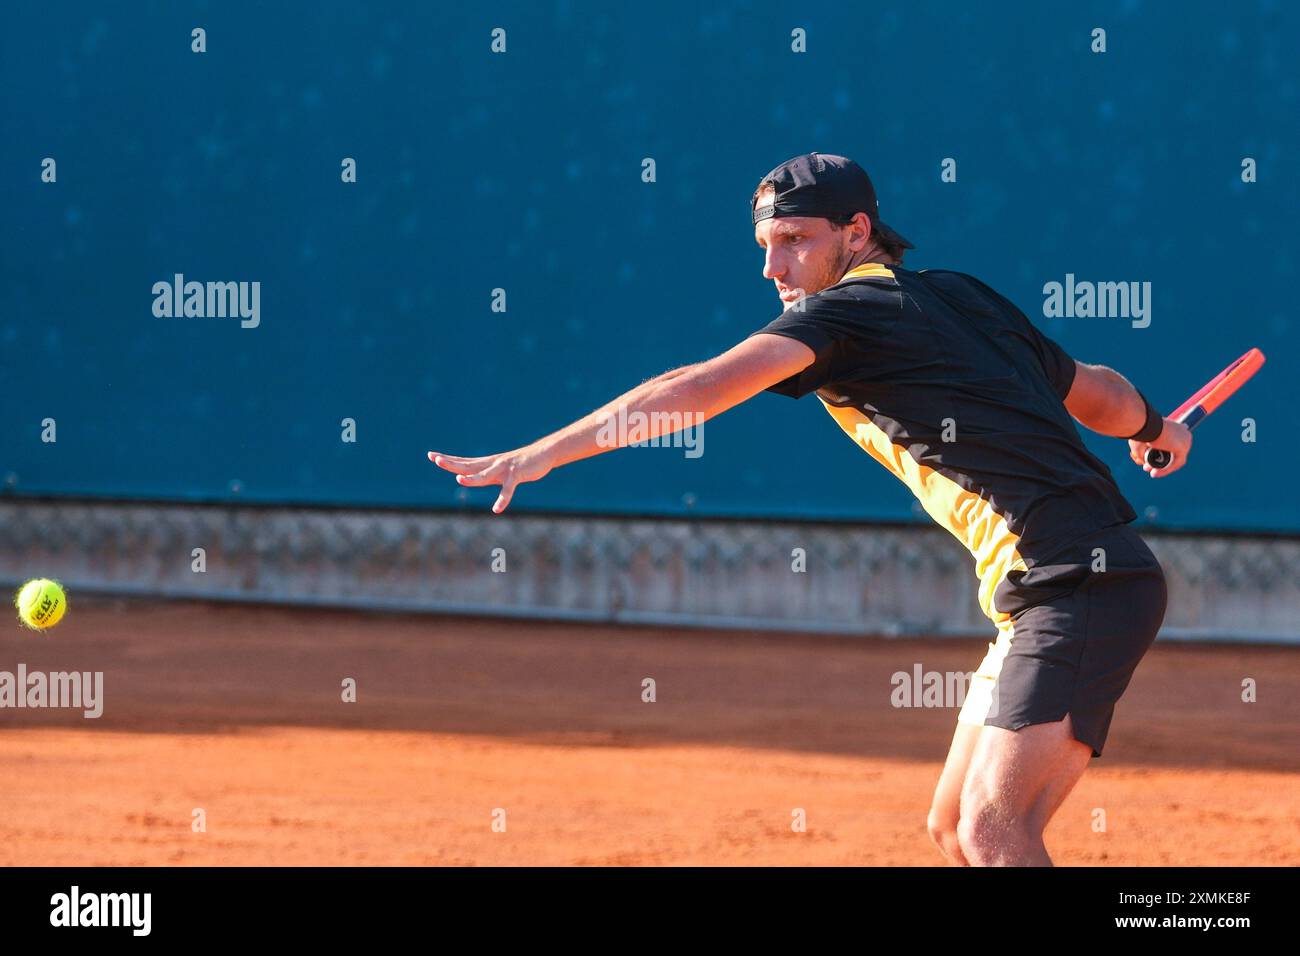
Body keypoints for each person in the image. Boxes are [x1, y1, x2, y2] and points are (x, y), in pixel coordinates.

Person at [428, 151, 1186, 866]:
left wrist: (544, 453)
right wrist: (1158, 428)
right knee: (955, 825)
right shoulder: (961, 296)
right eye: (765, 244)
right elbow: (1097, 391)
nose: (773, 266)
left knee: (996, 828)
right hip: (1054, 587)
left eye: (793, 240)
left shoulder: (846, 314)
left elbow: (696, 388)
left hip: (1079, 584)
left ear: (857, 233)